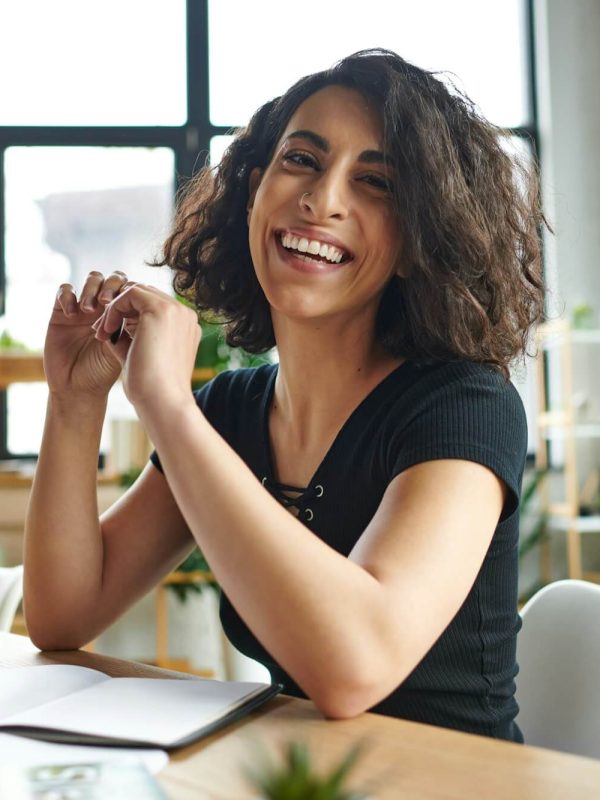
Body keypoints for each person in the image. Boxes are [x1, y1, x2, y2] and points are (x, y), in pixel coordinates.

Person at [24, 49, 546, 742]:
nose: (323, 199)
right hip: (303, 776)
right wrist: (75, 402)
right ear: (252, 187)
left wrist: (168, 409)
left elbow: (351, 669)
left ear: (421, 237)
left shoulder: (465, 406)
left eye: (377, 182)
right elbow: (63, 616)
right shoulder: (235, 414)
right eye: (302, 159)